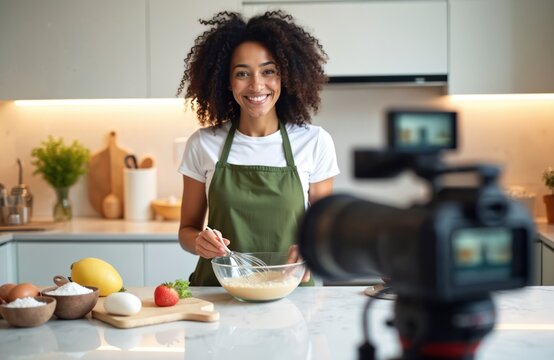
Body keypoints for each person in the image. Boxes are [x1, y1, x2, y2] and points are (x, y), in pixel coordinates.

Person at [176, 10, 340, 286]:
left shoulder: (314, 142)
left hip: (292, 293)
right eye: (242, 73)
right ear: (227, 82)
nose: (256, 85)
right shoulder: (203, 144)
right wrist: (199, 242)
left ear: (284, 77)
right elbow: (186, 230)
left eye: (268, 71)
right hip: (218, 294)